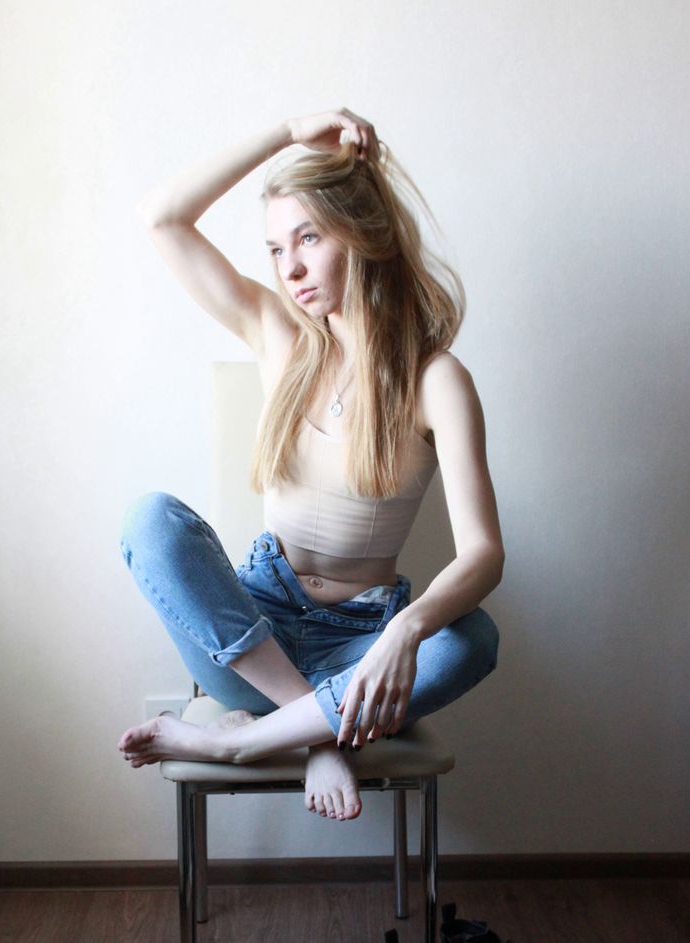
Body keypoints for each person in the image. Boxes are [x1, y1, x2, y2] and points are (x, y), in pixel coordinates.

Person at [117, 107, 505, 825]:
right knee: (152, 521)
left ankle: (241, 742)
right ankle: (316, 736)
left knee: (473, 639)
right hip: (252, 642)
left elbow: (483, 554)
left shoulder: (436, 380)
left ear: (361, 233)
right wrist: (285, 132)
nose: (289, 267)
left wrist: (405, 632)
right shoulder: (279, 337)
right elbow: (162, 218)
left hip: (364, 655)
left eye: (308, 237)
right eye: (275, 248)